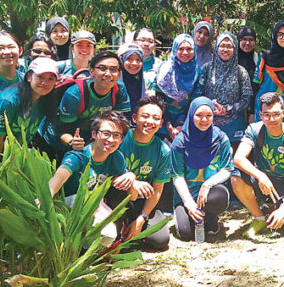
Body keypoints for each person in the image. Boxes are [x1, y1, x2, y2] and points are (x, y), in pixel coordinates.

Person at [231, 92, 284, 238]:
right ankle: (259, 217)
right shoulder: (254, 130)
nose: (271, 119)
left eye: (276, 114)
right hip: (264, 182)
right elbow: (238, 158)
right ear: (260, 114)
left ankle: (278, 208)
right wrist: (260, 176)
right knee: (235, 176)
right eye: (266, 115)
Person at [104, 96, 173, 250]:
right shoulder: (120, 139)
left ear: (161, 123)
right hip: (116, 198)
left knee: (160, 240)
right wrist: (132, 182)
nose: (150, 121)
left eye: (156, 118)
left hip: (142, 202)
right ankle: (120, 227)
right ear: (134, 118)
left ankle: (132, 225)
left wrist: (142, 218)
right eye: (145, 116)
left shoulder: (163, 151)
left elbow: (157, 189)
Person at [39, 51, 131, 160]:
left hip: (90, 138)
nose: (108, 74)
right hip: (57, 140)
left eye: (113, 69)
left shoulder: (119, 89)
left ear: (119, 74)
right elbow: (63, 131)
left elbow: (121, 124)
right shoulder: (74, 94)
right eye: (102, 68)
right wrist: (72, 142)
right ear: (91, 71)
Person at [170, 97, 234, 241]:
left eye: (208, 115)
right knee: (185, 233)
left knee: (219, 198)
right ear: (191, 115)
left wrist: (207, 184)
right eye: (199, 115)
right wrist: (189, 204)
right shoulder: (180, 141)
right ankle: (190, 213)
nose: (204, 120)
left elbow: (227, 169)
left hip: (210, 193)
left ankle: (210, 215)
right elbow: (177, 176)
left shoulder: (220, 138)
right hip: (186, 193)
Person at [47, 111, 135, 204]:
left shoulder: (116, 157)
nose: (111, 139)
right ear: (94, 134)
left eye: (116, 135)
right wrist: (47, 197)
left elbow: (132, 197)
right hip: (66, 206)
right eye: (106, 133)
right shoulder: (79, 156)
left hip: (92, 208)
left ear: (122, 139)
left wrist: (131, 177)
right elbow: (61, 174)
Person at [197, 32, 253, 148]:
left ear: (235, 49)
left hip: (234, 125)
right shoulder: (207, 68)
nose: (225, 49)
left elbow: (247, 99)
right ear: (216, 47)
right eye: (222, 46)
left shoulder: (240, 72)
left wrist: (227, 109)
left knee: (232, 161)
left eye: (229, 46)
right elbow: (197, 94)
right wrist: (209, 106)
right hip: (207, 122)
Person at [153, 34, 202, 141]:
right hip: (162, 123)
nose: (185, 52)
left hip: (186, 125)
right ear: (175, 49)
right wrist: (169, 126)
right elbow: (158, 100)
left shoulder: (198, 72)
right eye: (181, 48)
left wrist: (181, 124)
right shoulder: (164, 70)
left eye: (189, 49)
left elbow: (194, 101)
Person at [117, 43, 145, 119]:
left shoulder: (142, 85)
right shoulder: (113, 84)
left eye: (138, 59)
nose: (134, 63)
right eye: (129, 58)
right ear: (121, 60)